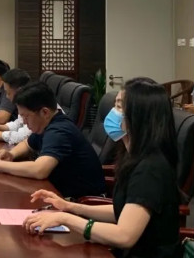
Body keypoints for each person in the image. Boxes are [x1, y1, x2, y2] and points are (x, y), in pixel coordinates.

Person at [24, 77, 181, 258]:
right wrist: (70, 207)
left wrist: (64, 218)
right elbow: (122, 211)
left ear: (139, 116)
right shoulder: (133, 156)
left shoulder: (150, 168)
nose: (113, 113)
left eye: (119, 107)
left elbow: (124, 236)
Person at [0, 81, 105, 198]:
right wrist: (11, 154)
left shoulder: (59, 131)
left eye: (26, 117)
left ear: (45, 112)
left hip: (81, 201)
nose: (25, 122)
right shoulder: (47, 123)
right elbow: (27, 143)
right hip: (59, 192)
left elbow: (39, 170)